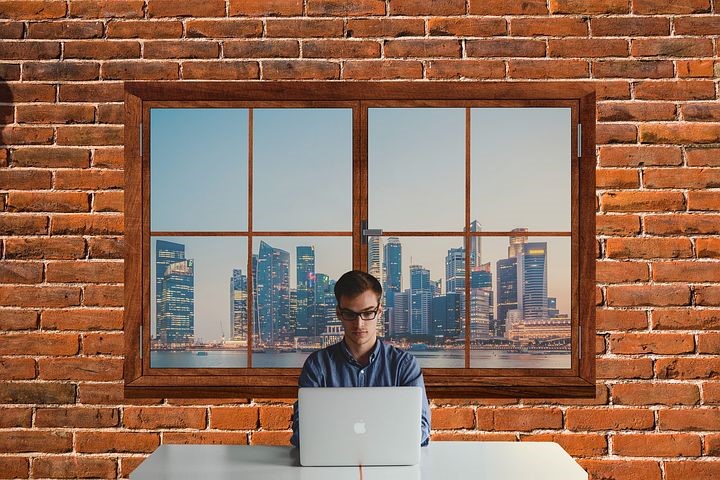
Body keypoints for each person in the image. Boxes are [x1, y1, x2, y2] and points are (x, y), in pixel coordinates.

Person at [290, 269, 431, 447]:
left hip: (390, 463)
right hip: (331, 465)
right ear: (339, 313)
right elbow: (302, 432)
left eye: (367, 313)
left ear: (379, 312)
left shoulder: (404, 365)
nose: (359, 324)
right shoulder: (317, 365)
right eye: (350, 314)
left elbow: (421, 427)